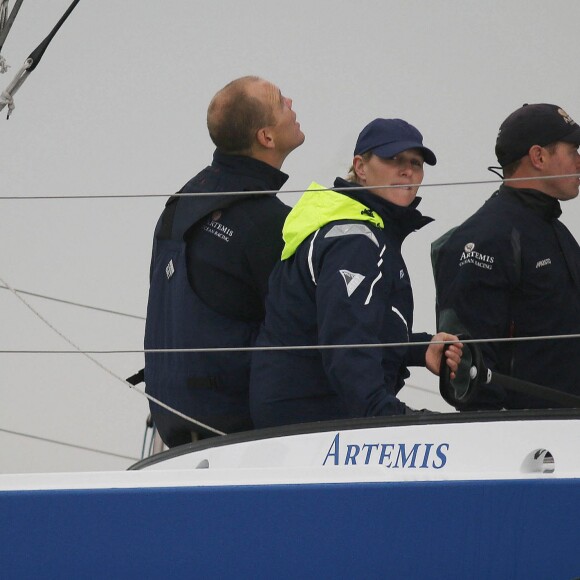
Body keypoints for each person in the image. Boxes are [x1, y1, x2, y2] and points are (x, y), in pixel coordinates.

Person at [250, 118, 462, 428]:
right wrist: (385, 415)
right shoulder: (354, 239)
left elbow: (355, 324)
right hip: (311, 423)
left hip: (305, 418)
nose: (407, 171)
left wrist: (419, 349)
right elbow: (347, 341)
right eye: (394, 160)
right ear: (360, 167)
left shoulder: (359, 229)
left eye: (416, 163)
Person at [144, 76, 305, 447]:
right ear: (266, 137)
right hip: (241, 435)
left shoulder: (180, 202)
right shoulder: (266, 222)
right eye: (281, 103)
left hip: (176, 427)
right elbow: (310, 327)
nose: (292, 103)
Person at [431, 103, 580, 410]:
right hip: (522, 441)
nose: (579, 161)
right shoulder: (486, 237)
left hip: (565, 433)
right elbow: (469, 372)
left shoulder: (557, 232)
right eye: (573, 150)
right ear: (539, 157)